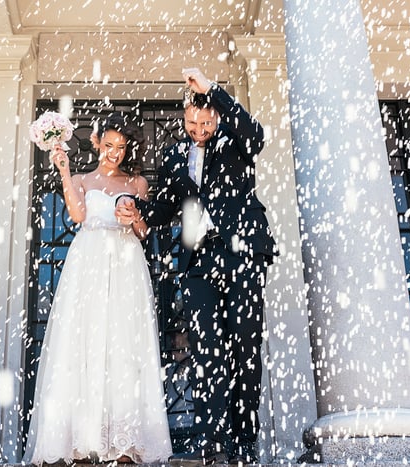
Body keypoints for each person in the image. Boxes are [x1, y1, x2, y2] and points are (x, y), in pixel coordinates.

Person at [116, 68, 277, 464]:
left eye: (206, 122)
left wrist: (212, 90)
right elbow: (166, 207)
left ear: (216, 118)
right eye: (192, 122)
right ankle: (209, 442)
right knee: (205, 350)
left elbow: (257, 135)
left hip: (243, 254)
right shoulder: (175, 155)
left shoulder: (237, 143)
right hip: (198, 261)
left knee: (244, 348)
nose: (198, 129)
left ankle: (243, 442)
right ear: (183, 117)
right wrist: (135, 211)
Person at [22, 113, 173, 465]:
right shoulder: (83, 180)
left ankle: (122, 442)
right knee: (85, 342)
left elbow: (144, 233)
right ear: (96, 142)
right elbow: (76, 215)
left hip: (125, 265)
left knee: (123, 346)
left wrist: (133, 217)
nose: (114, 153)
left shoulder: (137, 183)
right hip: (89, 262)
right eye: (109, 146)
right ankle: (85, 438)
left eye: (121, 148)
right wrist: (62, 170)